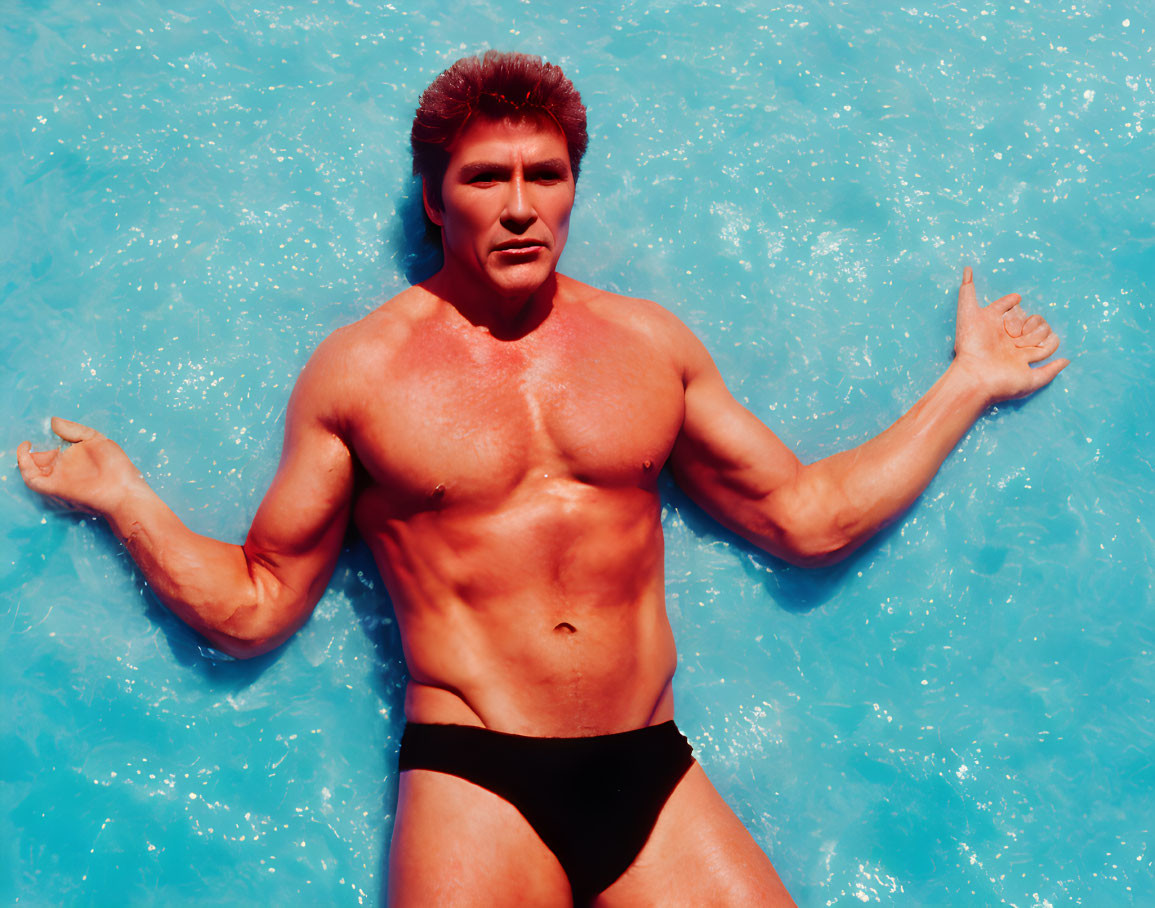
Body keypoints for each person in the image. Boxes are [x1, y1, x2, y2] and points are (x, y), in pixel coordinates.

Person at [17, 50, 1068, 906]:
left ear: (573, 186)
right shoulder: (363, 373)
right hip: (477, 781)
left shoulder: (648, 347)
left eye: (544, 176)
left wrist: (966, 383)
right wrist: (125, 497)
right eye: (486, 179)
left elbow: (804, 518)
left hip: (651, 768)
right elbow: (255, 605)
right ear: (435, 200)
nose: (519, 207)